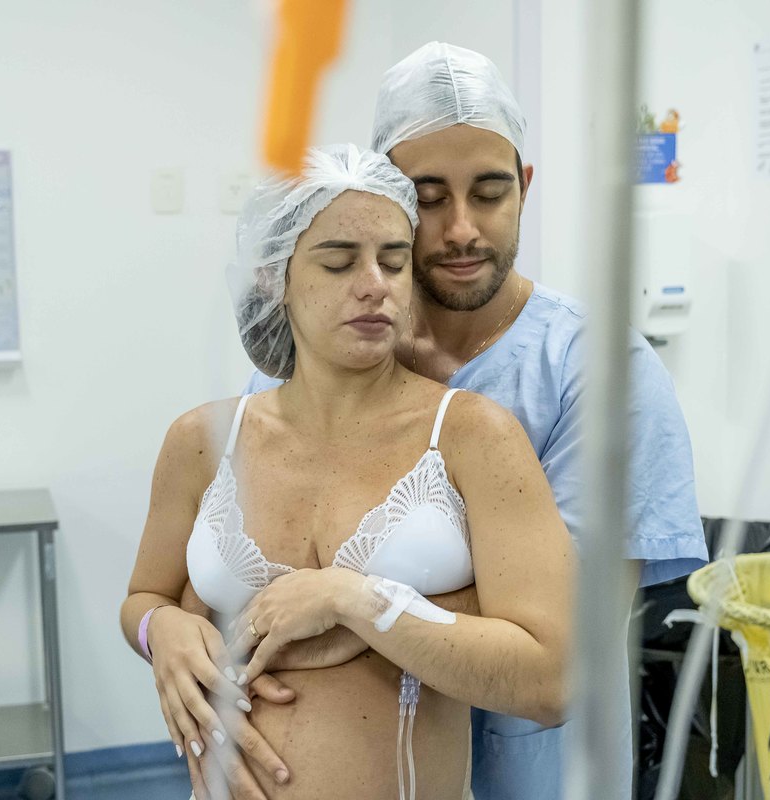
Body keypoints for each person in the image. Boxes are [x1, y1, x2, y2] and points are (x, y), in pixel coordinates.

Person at [239, 43, 710, 799]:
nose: (462, 228)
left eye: (489, 193)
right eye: (428, 198)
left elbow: (570, 631)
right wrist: (168, 632)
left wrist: (351, 607)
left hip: (539, 772)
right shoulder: (316, 355)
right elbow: (249, 576)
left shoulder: (597, 373)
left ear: (525, 187)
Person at [122, 143, 576, 799]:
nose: (374, 285)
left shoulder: (473, 438)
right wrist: (157, 630)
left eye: (394, 261)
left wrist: (356, 602)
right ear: (271, 278)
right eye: (338, 262)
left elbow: (552, 682)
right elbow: (145, 597)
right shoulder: (202, 442)